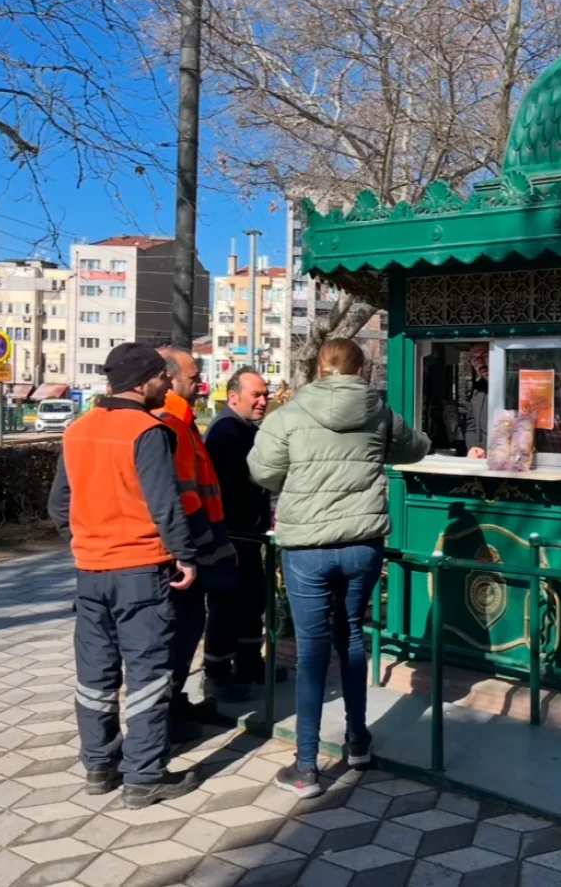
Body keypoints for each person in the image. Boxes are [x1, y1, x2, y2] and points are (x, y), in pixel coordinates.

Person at [249, 337, 430, 798]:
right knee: (351, 635)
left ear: (318, 369)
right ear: (361, 370)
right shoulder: (381, 413)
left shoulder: (287, 416)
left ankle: (306, 766)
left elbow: (263, 471)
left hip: (307, 548)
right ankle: (358, 742)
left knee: (311, 651)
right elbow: (414, 449)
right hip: (361, 545)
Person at [47, 342, 200, 809]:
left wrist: (90, 538)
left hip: (90, 571)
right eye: (163, 377)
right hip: (140, 570)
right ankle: (144, 775)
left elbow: (59, 504)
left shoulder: (78, 430)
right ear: (145, 381)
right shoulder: (146, 430)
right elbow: (164, 502)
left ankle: (98, 765)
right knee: (148, 672)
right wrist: (185, 555)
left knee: (94, 673)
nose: (168, 384)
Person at [156, 348, 241, 721]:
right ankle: (170, 713)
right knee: (180, 630)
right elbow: (182, 494)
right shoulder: (172, 424)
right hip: (187, 548)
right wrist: (202, 543)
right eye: (193, 378)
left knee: (189, 628)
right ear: (170, 379)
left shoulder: (183, 421)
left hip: (195, 541)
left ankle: (176, 705)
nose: (200, 383)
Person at [204, 367, 273, 689]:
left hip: (246, 533)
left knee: (250, 601)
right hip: (231, 535)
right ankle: (218, 674)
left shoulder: (242, 428)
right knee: (228, 605)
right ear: (234, 397)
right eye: (255, 395)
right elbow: (229, 489)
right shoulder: (226, 432)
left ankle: (249, 663)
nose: (263, 401)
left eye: (265, 394)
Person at [463, 342, 489, 458]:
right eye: (476, 360)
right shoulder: (478, 390)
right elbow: (471, 424)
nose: (481, 364)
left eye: (486, 357)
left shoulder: (517, 386)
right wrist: (474, 447)